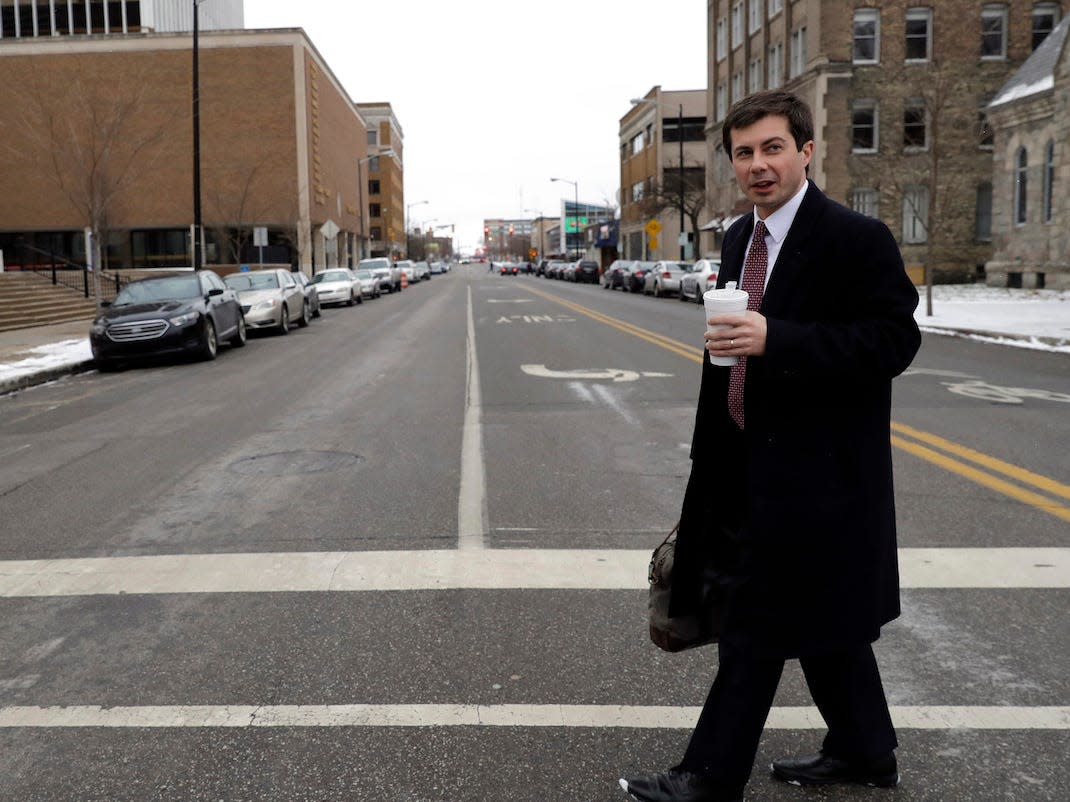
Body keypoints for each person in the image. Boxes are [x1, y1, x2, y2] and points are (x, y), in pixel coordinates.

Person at [620, 90, 921, 802]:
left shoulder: (855, 239)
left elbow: (893, 340)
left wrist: (775, 338)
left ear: (807, 151)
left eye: (773, 148)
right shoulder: (737, 241)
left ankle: (709, 776)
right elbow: (729, 353)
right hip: (747, 469)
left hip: (823, 479)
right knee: (828, 624)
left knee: (755, 627)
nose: (759, 165)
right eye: (745, 152)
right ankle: (865, 751)